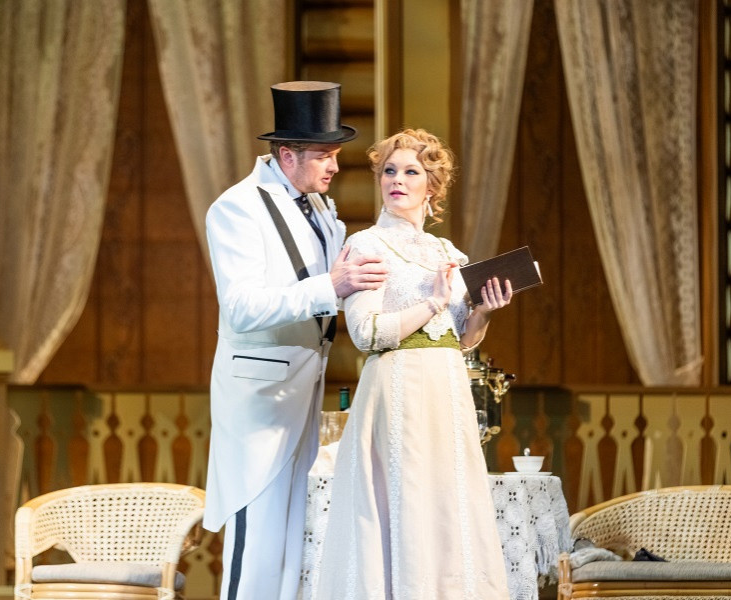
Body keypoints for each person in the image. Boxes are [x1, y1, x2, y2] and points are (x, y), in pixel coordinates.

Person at [203, 81, 388, 600]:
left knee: (291, 554)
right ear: (288, 155)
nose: (335, 167)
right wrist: (332, 286)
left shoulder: (321, 208)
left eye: (336, 155)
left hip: (304, 392)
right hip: (259, 399)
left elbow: (337, 287)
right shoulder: (237, 207)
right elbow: (242, 307)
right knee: (256, 551)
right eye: (324, 156)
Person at [316, 128, 513, 599]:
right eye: (389, 171)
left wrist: (484, 312)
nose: (397, 180)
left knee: (446, 506)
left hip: (447, 390)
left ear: (432, 186)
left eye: (411, 172)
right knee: (403, 501)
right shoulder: (367, 246)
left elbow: (461, 340)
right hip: (398, 388)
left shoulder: (449, 253)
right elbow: (366, 333)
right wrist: (432, 303)